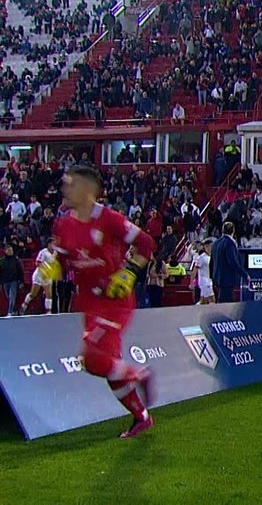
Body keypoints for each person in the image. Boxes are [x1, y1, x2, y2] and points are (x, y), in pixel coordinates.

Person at [41, 165, 156, 438]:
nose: (65, 188)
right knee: (108, 368)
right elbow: (61, 256)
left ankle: (140, 374)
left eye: (72, 184)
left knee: (92, 358)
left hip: (114, 300)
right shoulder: (64, 223)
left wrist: (129, 273)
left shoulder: (110, 219)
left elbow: (146, 244)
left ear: (89, 190)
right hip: (87, 303)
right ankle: (142, 417)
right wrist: (53, 267)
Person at [210, 222, 250, 303]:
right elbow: (233, 262)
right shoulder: (229, 243)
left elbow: (212, 262)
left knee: (221, 302)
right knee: (226, 304)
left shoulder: (215, 243)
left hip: (216, 279)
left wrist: (212, 277)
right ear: (233, 231)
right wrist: (245, 274)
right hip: (226, 280)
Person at [21, 239, 57, 315]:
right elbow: (37, 263)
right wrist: (45, 270)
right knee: (33, 294)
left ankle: (48, 311)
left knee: (49, 294)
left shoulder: (55, 253)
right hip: (39, 275)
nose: (54, 245)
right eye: (53, 243)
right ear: (49, 244)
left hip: (48, 276)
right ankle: (24, 304)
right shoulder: (43, 252)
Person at [0, 244, 24, 317]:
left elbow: (20, 271)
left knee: (12, 296)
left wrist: (21, 281)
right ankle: (14, 310)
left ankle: (10, 312)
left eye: (11, 250)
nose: (10, 251)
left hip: (14, 281)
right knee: (9, 297)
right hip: (5, 282)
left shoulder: (16, 260)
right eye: (9, 250)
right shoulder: (2, 261)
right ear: (5, 251)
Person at [193, 240, 215, 305]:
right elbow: (195, 269)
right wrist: (192, 283)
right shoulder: (201, 257)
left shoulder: (212, 256)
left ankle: (195, 311)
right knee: (212, 299)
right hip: (204, 282)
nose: (209, 248)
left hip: (210, 280)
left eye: (210, 246)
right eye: (207, 246)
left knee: (203, 300)